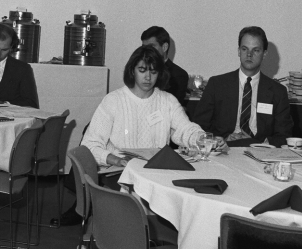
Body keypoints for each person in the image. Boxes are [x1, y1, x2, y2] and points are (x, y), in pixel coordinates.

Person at [82, 44, 226, 168]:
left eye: (153, 71)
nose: (148, 77)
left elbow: (185, 130)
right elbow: (89, 145)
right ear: (132, 71)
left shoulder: (168, 101)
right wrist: (117, 160)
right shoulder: (113, 101)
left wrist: (204, 139)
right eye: (142, 70)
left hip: (155, 171)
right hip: (119, 171)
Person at [191, 26, 293, 145]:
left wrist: (256, 142)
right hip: (223, 149)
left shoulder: (278, 92)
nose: (249, 54)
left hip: (260, 151)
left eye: (256, 50)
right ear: (238, 51)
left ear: (264, 54)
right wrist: (221, 140)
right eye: (245, 49)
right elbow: (198, 127)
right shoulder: (217, 85)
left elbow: (285, 135)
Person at [140, 26, 189, 106]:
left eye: (151, 46)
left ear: (164, 47)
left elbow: (173, 107)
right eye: (144, 47)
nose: (146, 51)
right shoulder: (138, 70)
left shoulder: (178, 74)